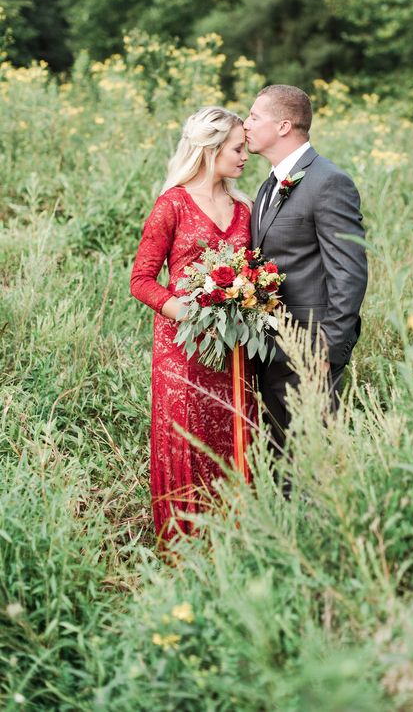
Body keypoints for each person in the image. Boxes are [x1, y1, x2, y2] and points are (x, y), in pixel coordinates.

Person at [130, 106, 255, 545]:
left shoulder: (245, 209)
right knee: (189, 435)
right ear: (211, 149)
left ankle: (236, 538)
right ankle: (184, 545)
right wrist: (180, 309)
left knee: (234, 430)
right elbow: (141, 280)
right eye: (238, 148)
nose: (245, 157)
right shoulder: (173, 204)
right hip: (181, 349)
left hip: (233, 345)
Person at [244, 84, 368, 454]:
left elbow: (349, 271)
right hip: (271, 346)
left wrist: (327, 350)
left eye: (254, 116)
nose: (245, 124)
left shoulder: (328, 181)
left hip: (311, 347)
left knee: (312, 456)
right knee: (278, 455)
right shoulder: (270, 183)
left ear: (283, 126)